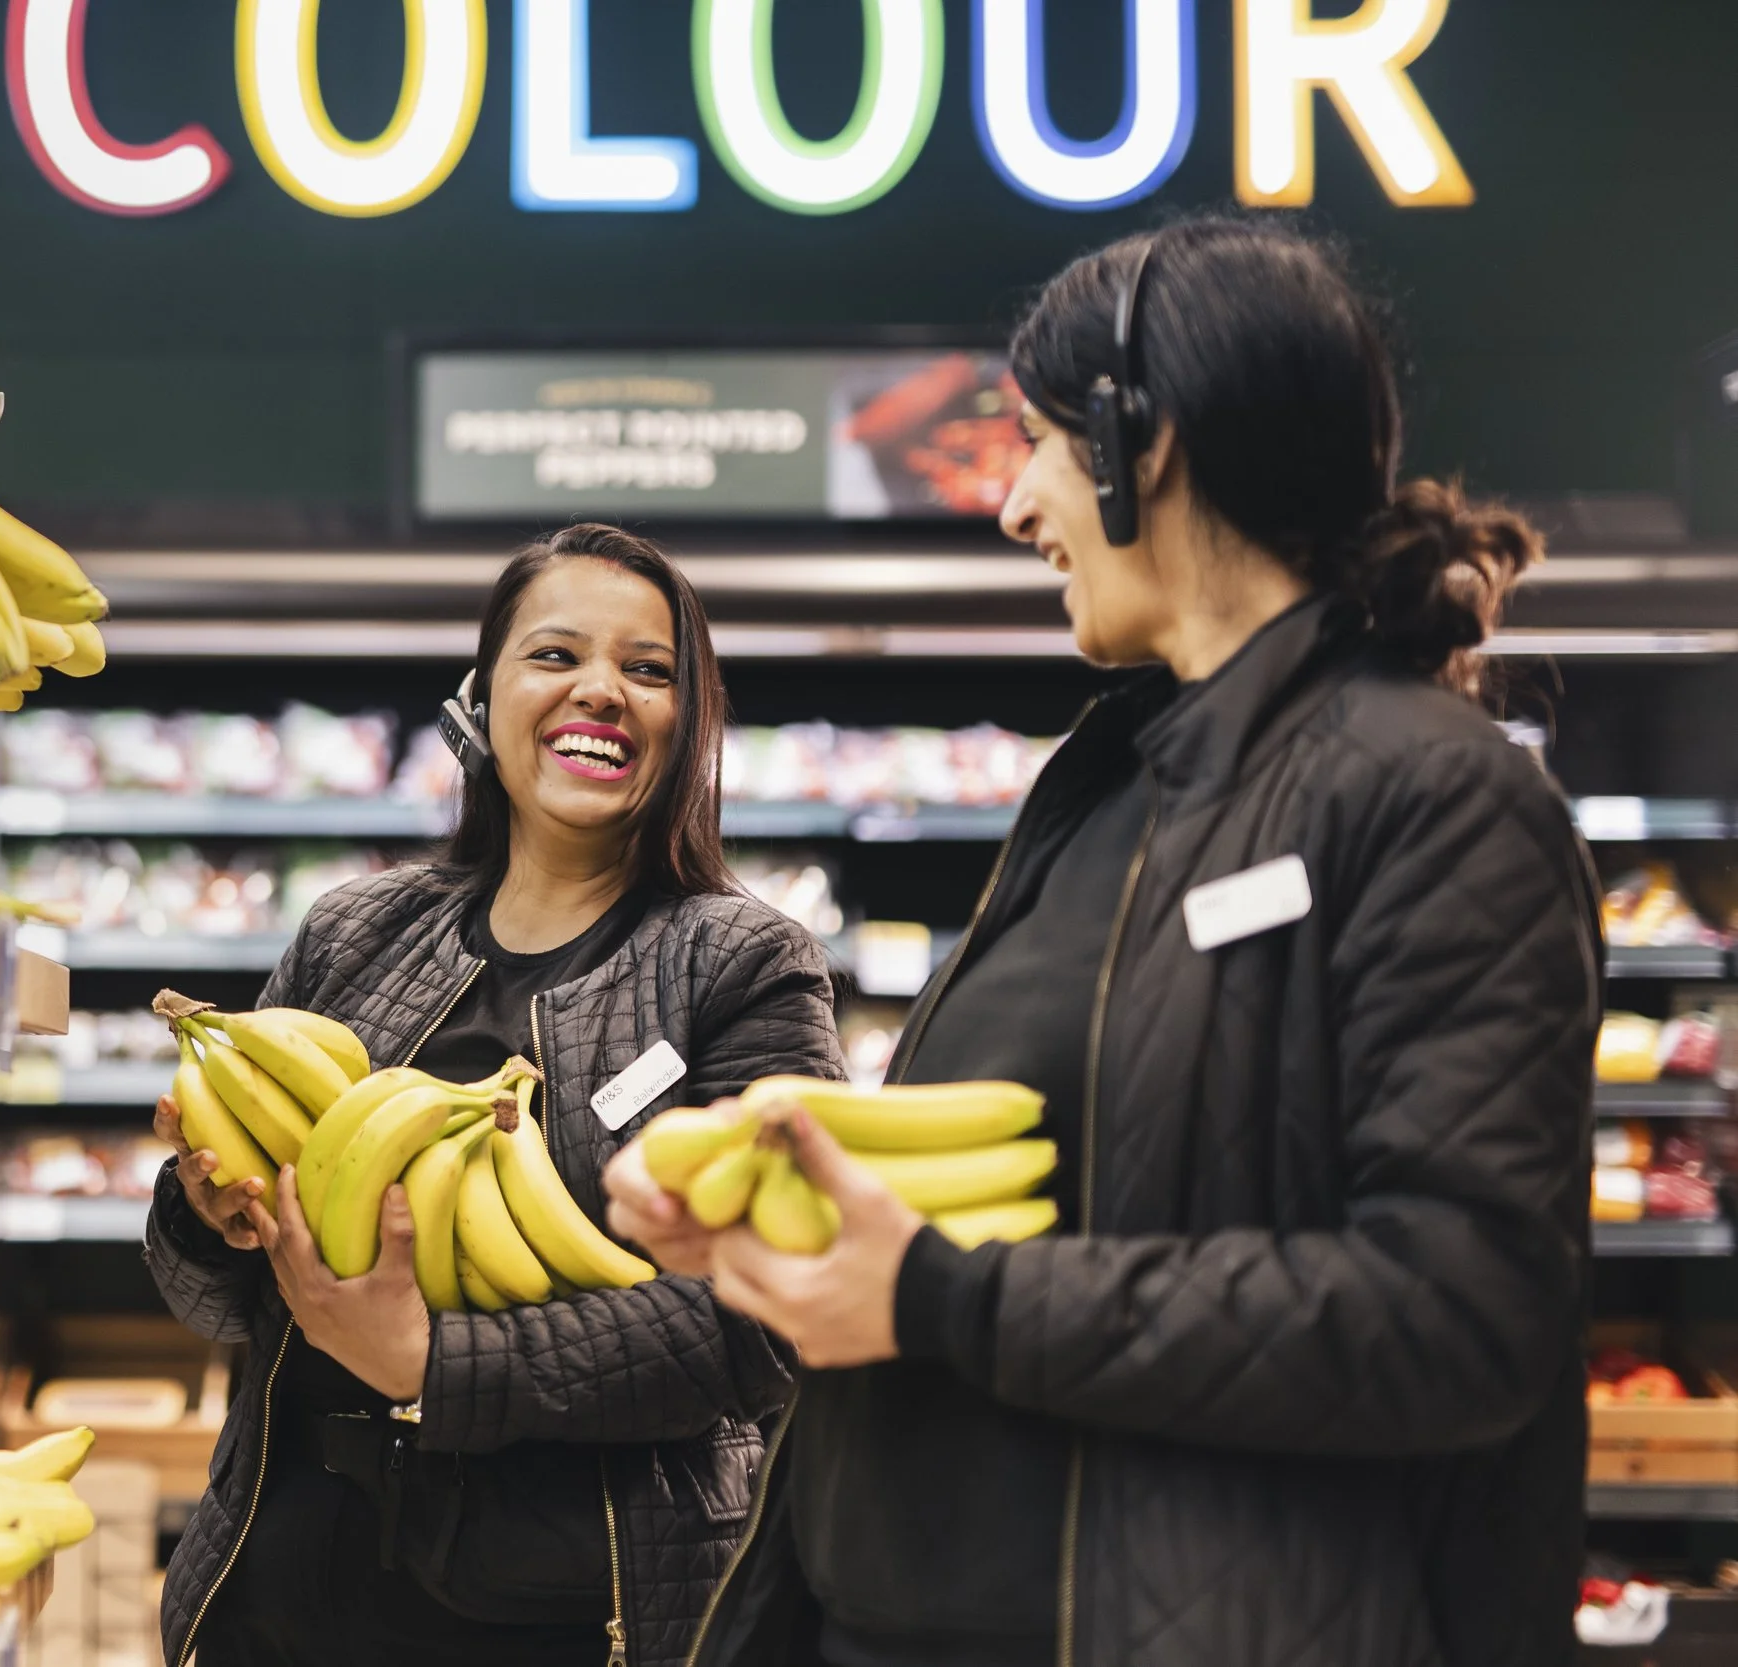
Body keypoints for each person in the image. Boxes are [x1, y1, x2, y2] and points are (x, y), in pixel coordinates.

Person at [609, 216, 1600, 1667]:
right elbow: (1077, 1180)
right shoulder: (1116, 783)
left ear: (1151, 442)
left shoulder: (1433, 797)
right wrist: (788, 1203)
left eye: (1041, 441)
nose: (1015, 505)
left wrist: (943, 1293)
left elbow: (1459, 1309)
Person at [145, 523, 847, 1667]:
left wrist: (429, 1361)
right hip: (288, 1593)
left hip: (584, 1612)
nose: (603, 690)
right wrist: (207, 1210)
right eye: (555, 654)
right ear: (482, 697)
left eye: (651, 668)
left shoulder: (742, 966)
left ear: (690, 724)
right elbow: (212, 1299)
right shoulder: (354, 933)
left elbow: (765, 1317)